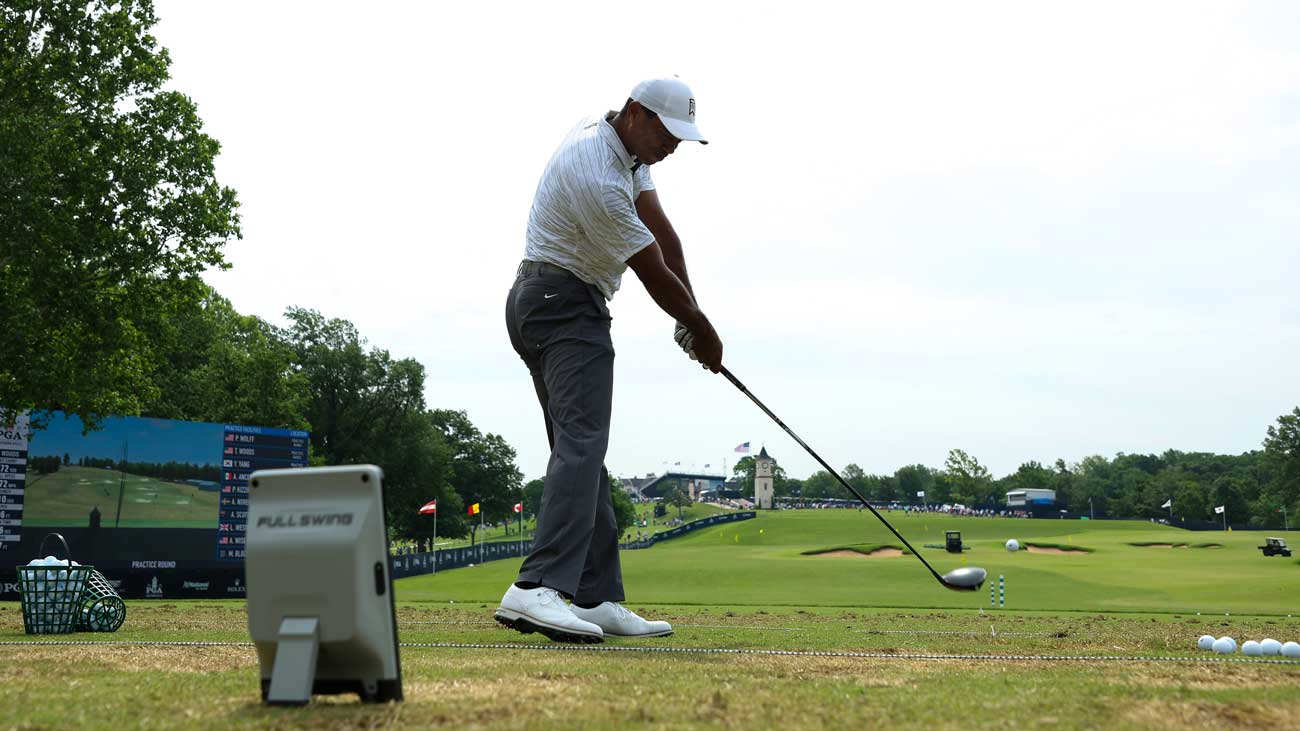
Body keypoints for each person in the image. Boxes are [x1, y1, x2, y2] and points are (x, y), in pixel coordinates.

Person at [494, 76, 722, 644]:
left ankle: (592, 596)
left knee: (582, 448)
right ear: (636, 112)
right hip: (565, 305)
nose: (671, 147)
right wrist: (700, 328)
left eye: (680, 140)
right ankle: (536, 587)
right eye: (666, 134)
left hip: (543, 300)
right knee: (581, 444)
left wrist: (690, 317)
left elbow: (666, 238)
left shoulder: (623, 149)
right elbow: (651, 269)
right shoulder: (598, 174)